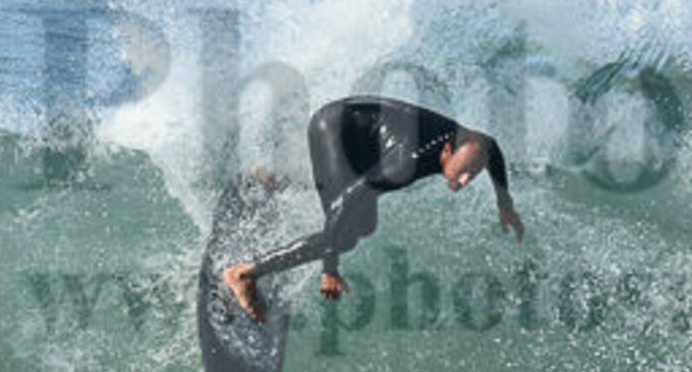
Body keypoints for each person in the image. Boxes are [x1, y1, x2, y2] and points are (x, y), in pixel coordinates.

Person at [223, 95, 524, 320]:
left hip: (368, 137)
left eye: (472, 174)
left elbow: (492, 150)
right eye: (462, 171)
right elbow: (342, 205)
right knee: (346, 234)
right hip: (336, 129)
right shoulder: (404, 163)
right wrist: (330, 269)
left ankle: (274, 180)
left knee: (363, 224)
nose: (465, 180)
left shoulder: (475, 145)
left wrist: (505, 205)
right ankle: (245, 274)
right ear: (446, 151)